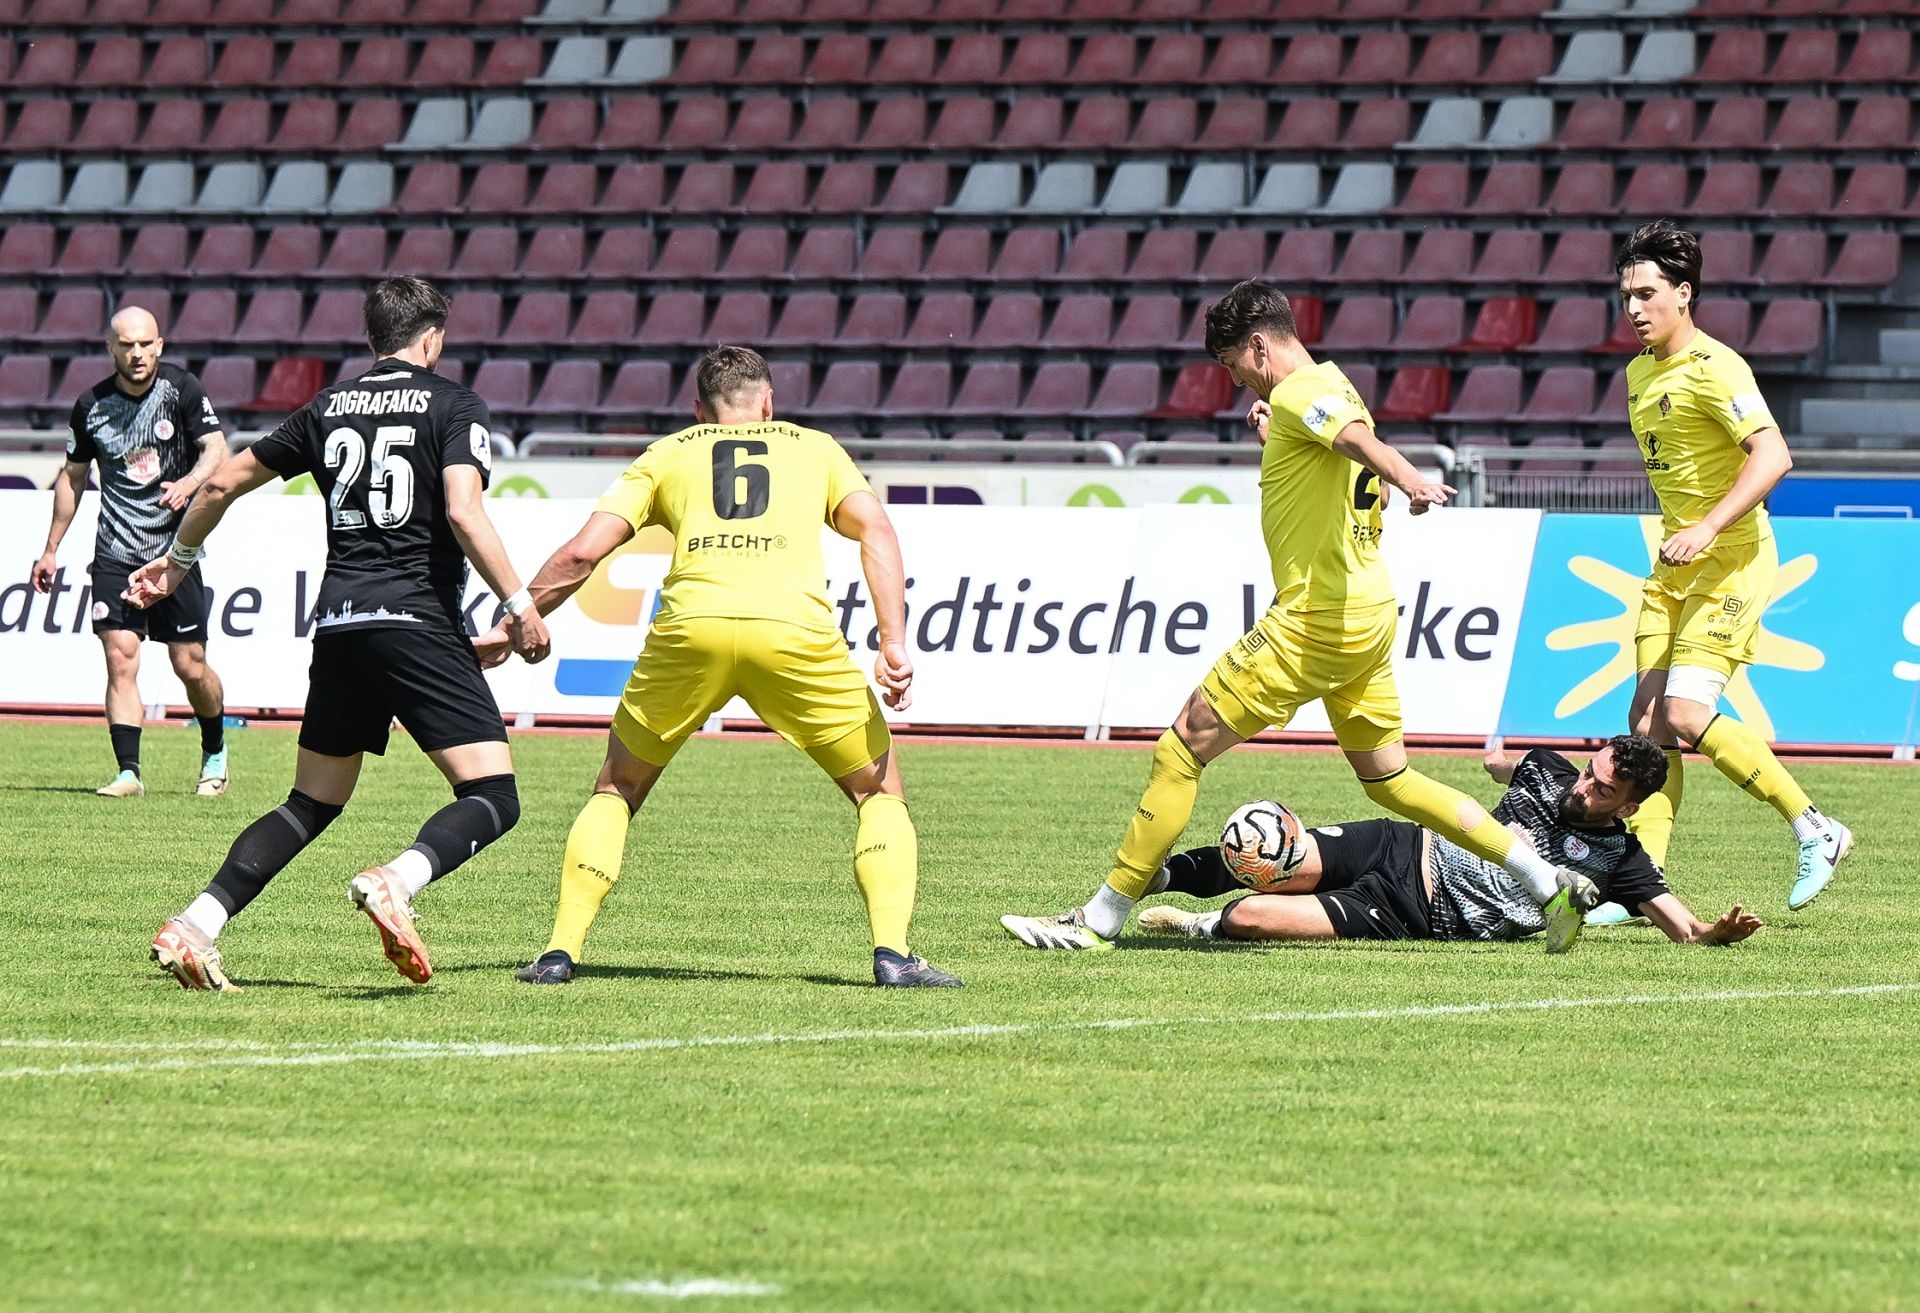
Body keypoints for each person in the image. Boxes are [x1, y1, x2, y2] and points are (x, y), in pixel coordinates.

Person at [1001, 280, 1600, 957]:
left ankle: (1098, 919)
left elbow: (1355, 444)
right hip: (1369, 613)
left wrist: (1408, 476)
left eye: (1233, 364)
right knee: (1393, 781)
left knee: (1180, 748)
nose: (1234, 380)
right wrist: (1283, 438)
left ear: (1259, 345)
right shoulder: (1332, 386)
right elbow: (1345, 464)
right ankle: (1543, 880)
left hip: (1315, 618)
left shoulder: (1300, 394)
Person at [477, 345, 960, 989]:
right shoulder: (817, 449)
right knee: (878, 791)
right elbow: (877, 530)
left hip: (692, 631)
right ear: (769, 403)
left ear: (698, 410)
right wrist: (892, 640)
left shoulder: (667, 454)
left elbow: (581, 555)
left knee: (617, 788)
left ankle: (559, 953)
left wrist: (514, 620)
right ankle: (893, 956)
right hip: (792, 634)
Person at [127, 277, 550, 991]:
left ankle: (195, 924)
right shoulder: (455, 404)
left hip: (341, 623)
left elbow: (221, 483)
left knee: (311, 802)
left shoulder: (327, 406)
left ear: (370, 338)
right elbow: (463, 510)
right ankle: (398, 880)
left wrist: (177, 562)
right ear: (432, 339)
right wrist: (518, 603)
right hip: (415, 618)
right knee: (493, 794)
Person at [1598, 220, 1849, 919]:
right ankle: (1644, 882)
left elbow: (1774, 456)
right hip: (1672, 567)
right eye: (1626, 296)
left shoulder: (1717, 367)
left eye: (1647, 294)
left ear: (1684, 293)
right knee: (1647, 721)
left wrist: (1708, 526)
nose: (1634, 309)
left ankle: (1816, 827)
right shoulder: (1638, 373)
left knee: (1684, 712)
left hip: (1731, 560)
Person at [1140, 734, 1762, 950]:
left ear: (1628, 807)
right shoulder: (1547, 768)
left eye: (1602, 791)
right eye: (1588, 772)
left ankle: (1199, 926)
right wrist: (1497, 762)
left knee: (1248, 917)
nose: (1582, 789)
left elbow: (1685, 929)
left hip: (1410, 912)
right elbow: (1505, 767)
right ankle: (1154, 876)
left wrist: (1717, 932)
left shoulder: (1620, 859)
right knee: (1274, 853)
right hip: (1402, 845)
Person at [32, 307, 232, 798]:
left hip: (176, 553)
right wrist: (50, 549)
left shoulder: (182, 390)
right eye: (127, 344)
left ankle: (215, 750)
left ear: (159, 345)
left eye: (145, 344)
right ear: (112, 348)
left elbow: (216, 449)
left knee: (190, 665)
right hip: (115, 550)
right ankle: (129, 773)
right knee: (120, 657)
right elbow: (73, 478)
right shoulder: (91, 406)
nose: (137, 353)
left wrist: (189, 482)